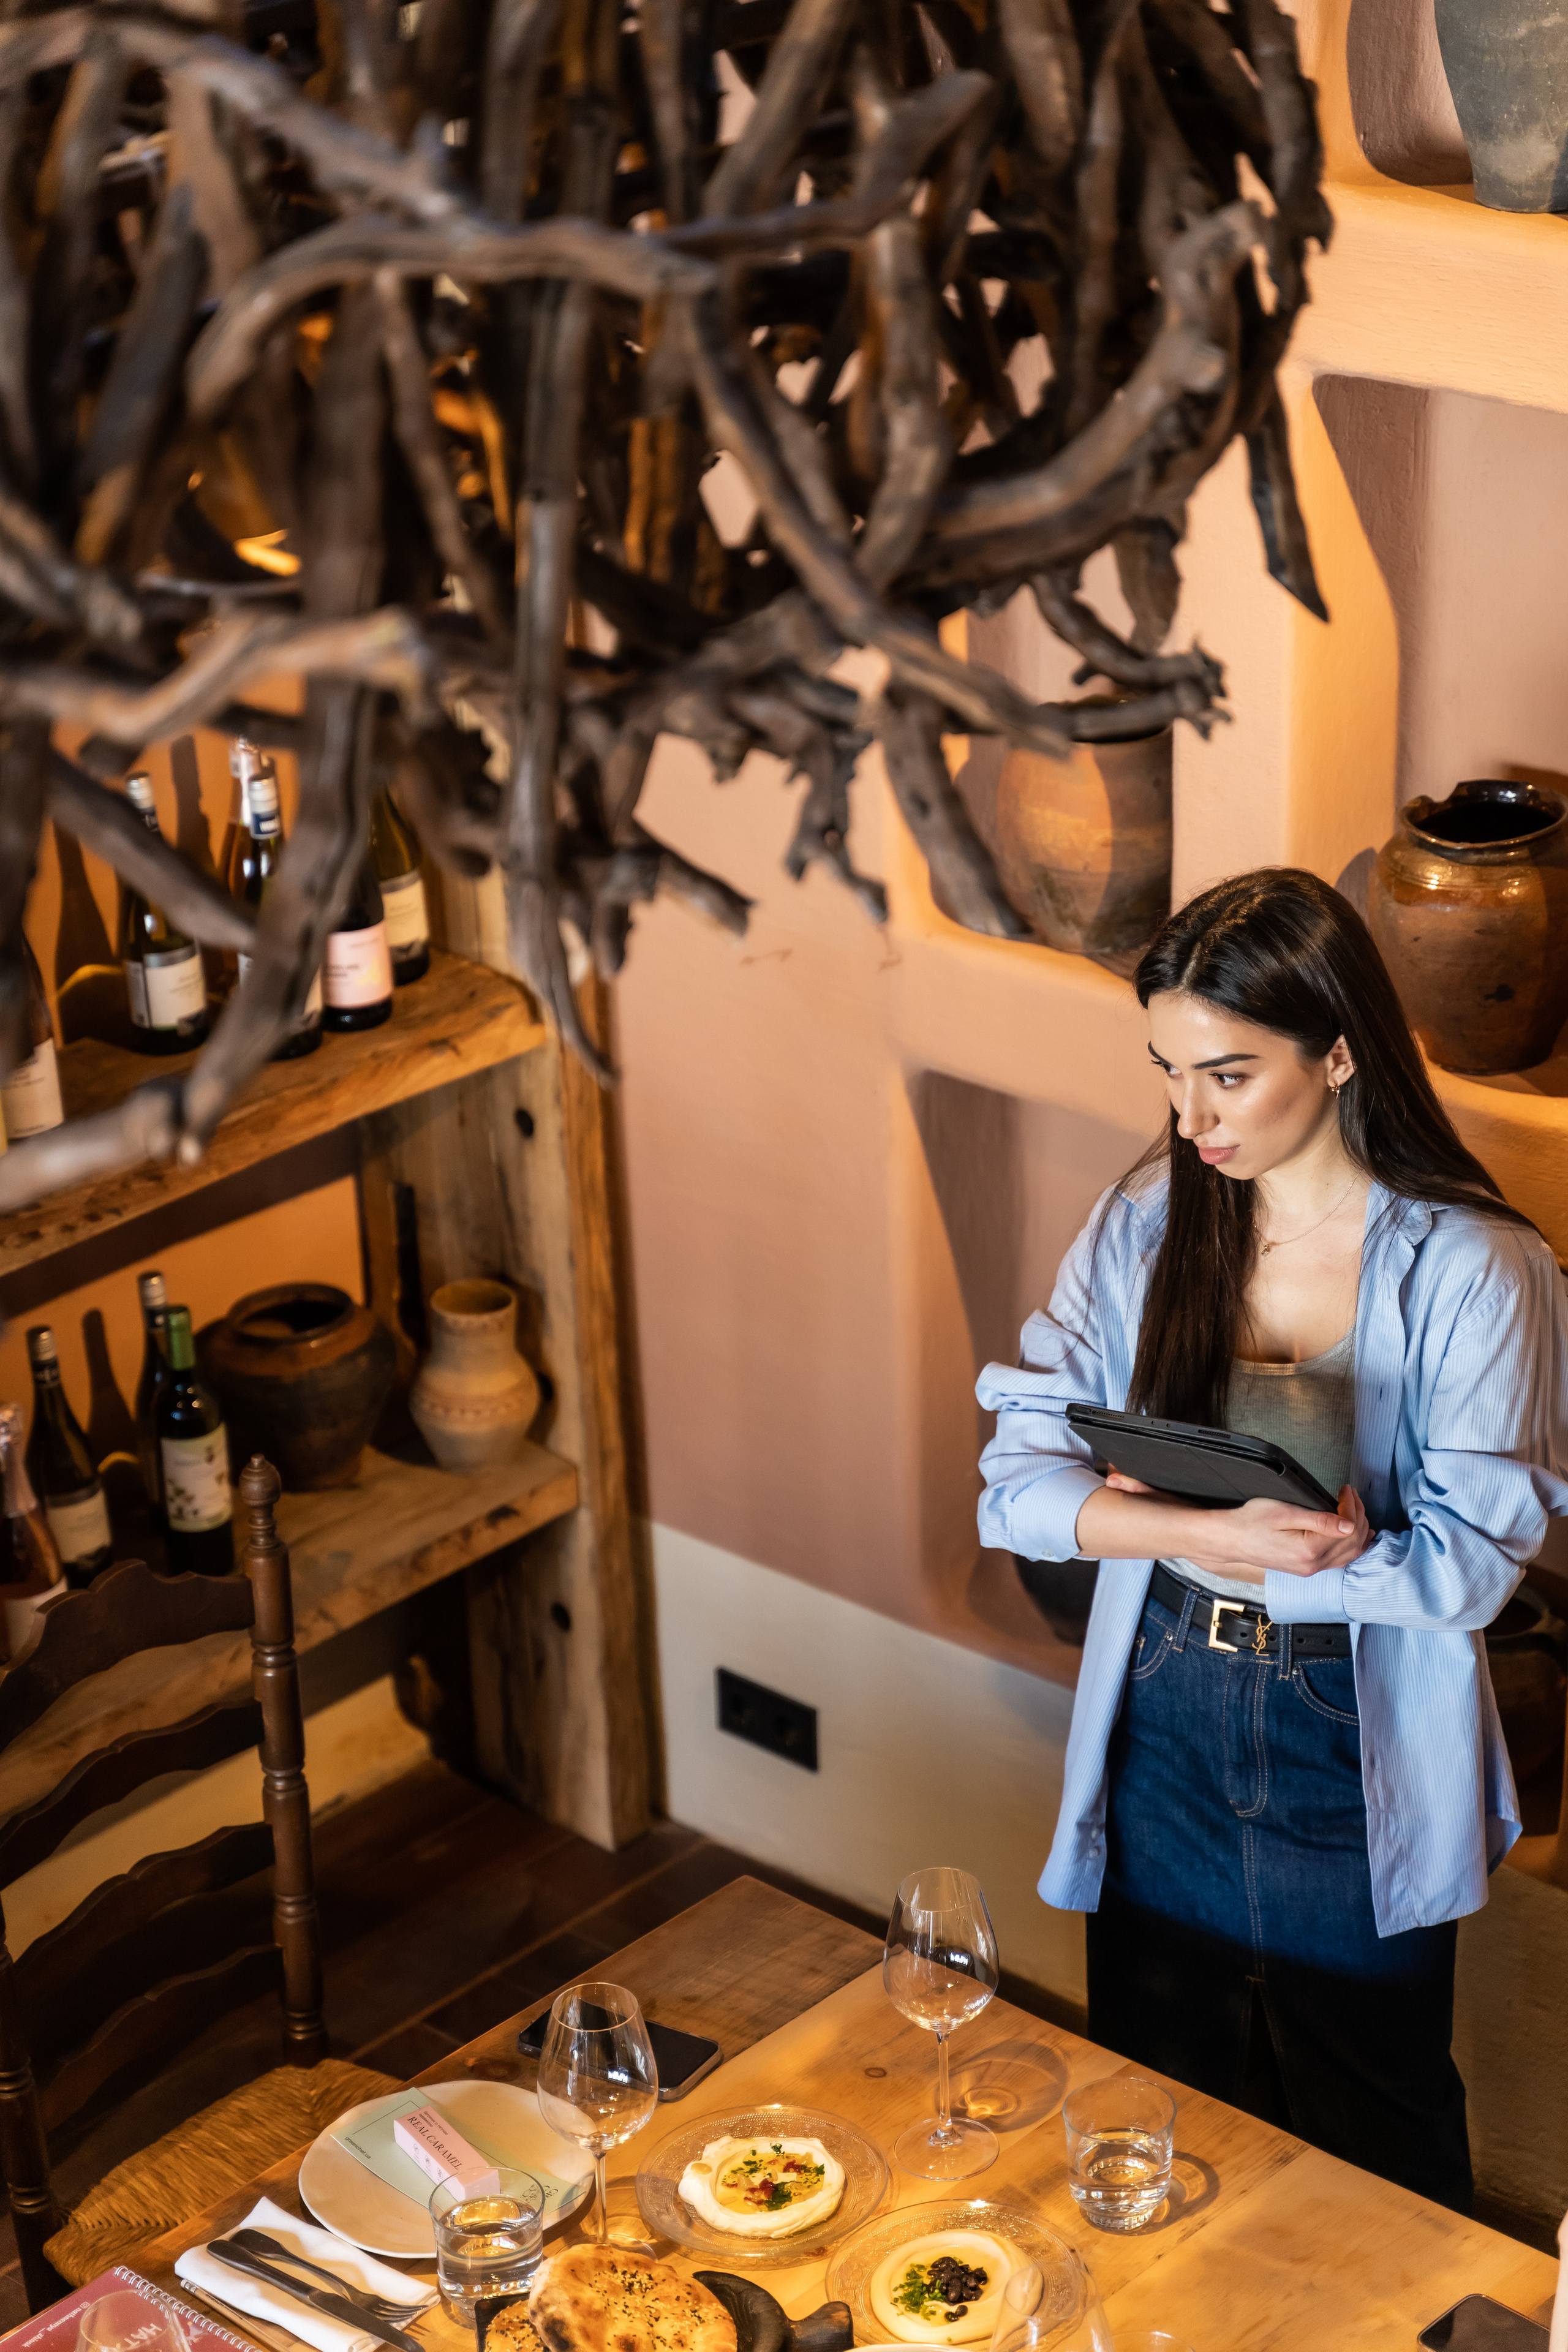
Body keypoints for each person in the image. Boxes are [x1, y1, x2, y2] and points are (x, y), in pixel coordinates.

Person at [976, 868, 1568, 2212]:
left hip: (1341, 1734)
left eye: (1228, 1076)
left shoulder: (1475, 1269)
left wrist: (1311, 1558)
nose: (1189, 1119)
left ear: (1341, 1050)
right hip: (1164, 1703)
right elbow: (1011, 1485)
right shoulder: (1145, 1226)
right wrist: (1209, 1531)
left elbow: (1470, 1572)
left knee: (1374, 2127)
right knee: (1158, 2104)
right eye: (1168, 1074)